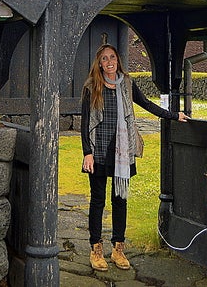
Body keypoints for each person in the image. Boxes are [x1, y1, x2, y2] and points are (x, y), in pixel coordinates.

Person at [80, 43, 189, 271]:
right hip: (98, 150)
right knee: (97, 201)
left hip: (122, 151)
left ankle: (118, 249)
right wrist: (87, 153)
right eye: (104, 59)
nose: (109, 62)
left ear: (117, 60)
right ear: (99, 64)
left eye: (113, 57)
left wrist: (172, 115)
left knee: (120, 200)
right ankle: (96, 249)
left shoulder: (127, 84)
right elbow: (84, 124)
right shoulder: (92, 87)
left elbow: (147, 104)